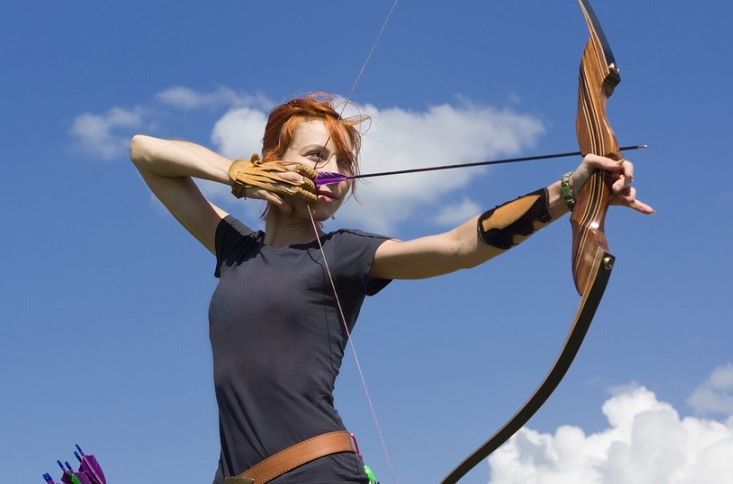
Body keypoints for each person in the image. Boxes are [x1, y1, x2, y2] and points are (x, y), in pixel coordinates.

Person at [130, 92, 653, 484]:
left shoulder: (344, 253)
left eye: (344, 166)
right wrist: (238, 174)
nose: (333, 173)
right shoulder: (235, 248)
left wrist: (569, 191)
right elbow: (145, 153)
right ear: (268, 159)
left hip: (316, 473)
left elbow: (456, 247)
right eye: (316, 156)